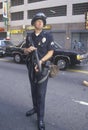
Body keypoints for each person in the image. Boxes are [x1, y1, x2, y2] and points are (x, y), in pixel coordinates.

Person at [24, 12, 55, 130]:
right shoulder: (29, 36)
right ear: (33, 23)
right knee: (33, 90)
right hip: (31, 68)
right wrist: (27, 49)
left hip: (42, 68)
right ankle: (35, 108)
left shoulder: (48, 36)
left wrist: (41, 61)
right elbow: (25, 52)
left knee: (41, 94)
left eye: (42, 20)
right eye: (38, 20)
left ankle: (40, 118)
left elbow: (51, 52)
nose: (40, 22)